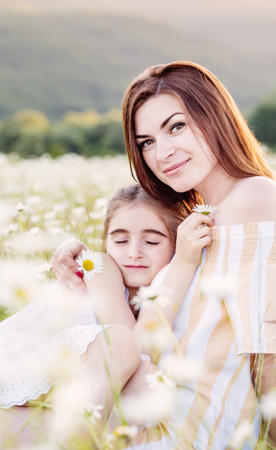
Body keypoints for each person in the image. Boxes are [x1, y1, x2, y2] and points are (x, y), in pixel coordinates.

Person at [53, 61, 276, 448]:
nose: (163, 153)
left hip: (182, 431)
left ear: (215, 118)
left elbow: (267, 350)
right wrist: (85, 254)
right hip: (144, 414)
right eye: (147, 142)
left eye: (176, 126)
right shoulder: (198, 219)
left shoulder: (253, 198)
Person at [0, 183, 211, 419]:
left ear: (177, 243)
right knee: (126, 352)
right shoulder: (101, 267)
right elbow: (138, 349)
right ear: (106, 242)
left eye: (151, 242)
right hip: (13, 367)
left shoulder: (157, 294)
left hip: (39, 392)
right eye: (120, 241)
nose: (134, 252)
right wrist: (183, 264)